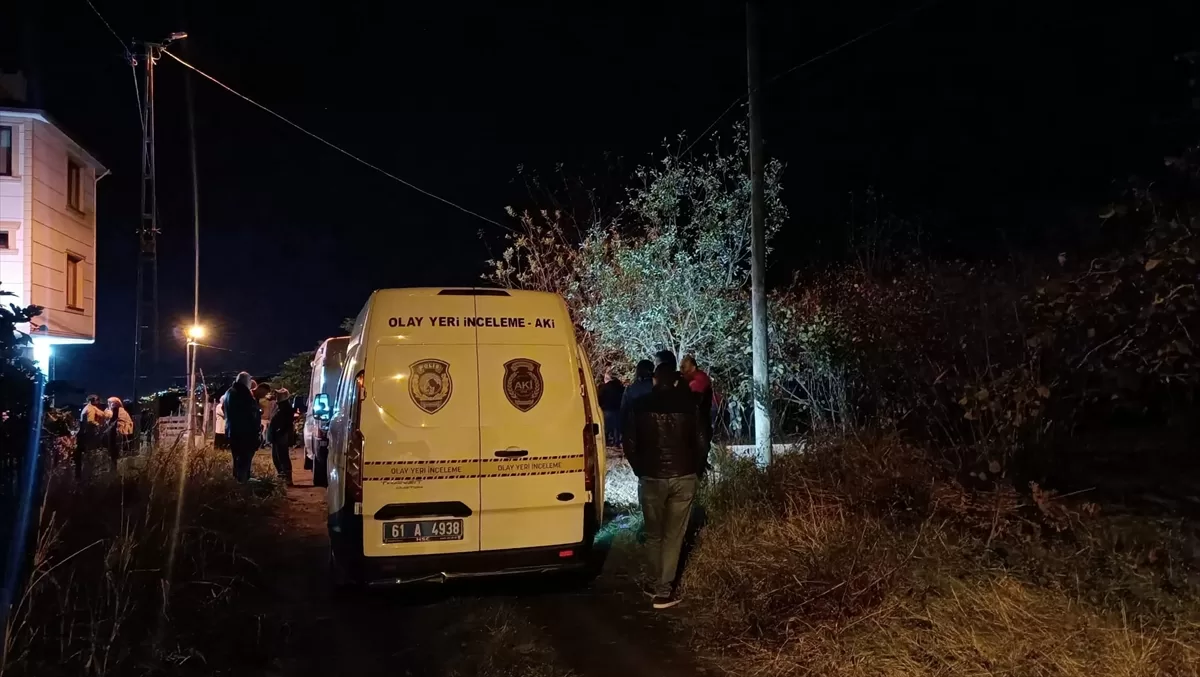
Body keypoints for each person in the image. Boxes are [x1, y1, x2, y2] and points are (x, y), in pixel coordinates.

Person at [624, 363, 707, 610]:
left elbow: (630, 444)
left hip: (651, 477)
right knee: (674, 536)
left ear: (654, 380)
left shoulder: (639, 405)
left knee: (654, 534)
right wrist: (696, 469)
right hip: (683, 475)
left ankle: (653, 583)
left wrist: (641, 470)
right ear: (675, 381)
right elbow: (702, 441)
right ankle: (663, 591)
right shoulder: (690, 405)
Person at [222, 372, 261, 482]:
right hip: (245, 432)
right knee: (245, 458)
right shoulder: (243, 394)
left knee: (237, 457)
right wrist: (256, 429)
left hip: (232, 430)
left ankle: (238, 479)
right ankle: (243, 481)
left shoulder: (229, 392)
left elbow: (224, 410)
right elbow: (250, 413)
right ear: (247, 382)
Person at [680, 355, 715, 451]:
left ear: (693, 368)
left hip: (699, 427)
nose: (683, 373)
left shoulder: (698, 381)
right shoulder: (700, 377)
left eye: (685, 370)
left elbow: (690, 402)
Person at [620, 359, 655, 438]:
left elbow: (623, 411)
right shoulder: (656, 388)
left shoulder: (630, 389)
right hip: (654, 429)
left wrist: (623, 431)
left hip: (635, 430)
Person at [77, 395, 109, 479]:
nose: (98, 402)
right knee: (91, 451)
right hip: (88, 433)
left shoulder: (89, 407)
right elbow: (90, 421)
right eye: (97, 400)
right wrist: (98, 425)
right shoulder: (90, 408)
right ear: (92, 401)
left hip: (84, 433)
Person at [268, 388, 295, 485]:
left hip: (281, 435)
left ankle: (286, 477)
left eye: (279, 394)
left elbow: (287, 423)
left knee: (282, 456)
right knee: (277, 457)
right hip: (278, 435)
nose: (277, 396)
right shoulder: (281, 406)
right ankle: (283, 476)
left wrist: (280, 430)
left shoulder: (286, 407)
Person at [597, 367, 626, 446]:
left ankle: (606, 442)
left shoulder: (603, 388)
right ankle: (617, 442)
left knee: (606, 428)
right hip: (618, 410)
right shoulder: (621, 388)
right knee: (617, 428)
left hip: (607, 410)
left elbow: (599, 399)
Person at [104, 397, 134, 471]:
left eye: (109, 403)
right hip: (120, 434)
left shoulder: (117, 411)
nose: (108, 404)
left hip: (118, 434)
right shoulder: (120, 410)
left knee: (115, 452)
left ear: (114, 404)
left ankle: (115, 469)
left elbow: (111, 420)